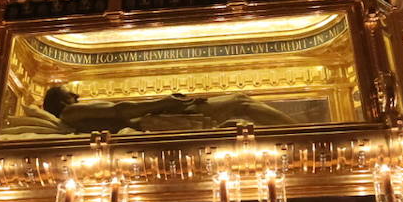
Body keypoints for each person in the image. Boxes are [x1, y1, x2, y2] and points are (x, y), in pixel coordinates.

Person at [42, 86, 296, 134]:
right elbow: (120, 110)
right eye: (69, 94)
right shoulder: (70, 113)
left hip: (154, 119)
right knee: (240, 102)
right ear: (62, 102)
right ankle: (298, 132)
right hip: (153, 121)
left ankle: (295, 131)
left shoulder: (73, 113)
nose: (76, 95)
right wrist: (164, 103)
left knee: (241, 104)